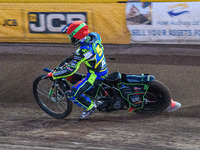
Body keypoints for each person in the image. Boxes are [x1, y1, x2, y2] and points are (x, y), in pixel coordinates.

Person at [51, 21, 108, 119]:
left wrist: (54, 75)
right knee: (74, 79)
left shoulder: (83, 51)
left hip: (95, 76)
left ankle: (90, 107)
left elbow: (70, 70)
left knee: (71, 94)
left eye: (71, 36)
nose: (70, 39)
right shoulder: (95, 36)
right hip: (102, 69)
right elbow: (79, 54)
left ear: (76, 36)